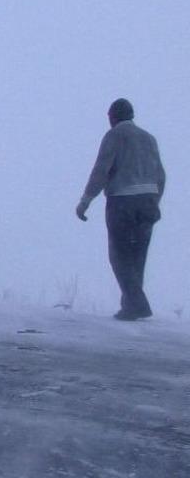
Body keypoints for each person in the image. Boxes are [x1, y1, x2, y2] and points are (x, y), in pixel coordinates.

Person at [76, 98, 165, 321]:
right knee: (137, 257)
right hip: (148, 201)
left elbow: (102, 169)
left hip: (122, 201)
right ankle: (130, 306)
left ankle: (137, 304)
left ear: (112, 117)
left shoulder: (115, 136)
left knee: (119, 255)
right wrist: (154, 199)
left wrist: (86, 200)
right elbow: (161, 175)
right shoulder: (149, 139)